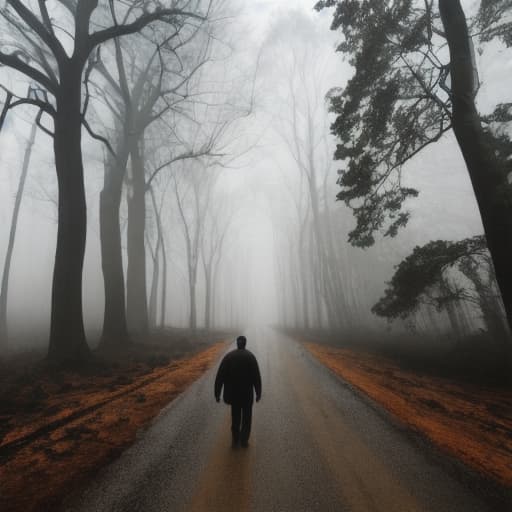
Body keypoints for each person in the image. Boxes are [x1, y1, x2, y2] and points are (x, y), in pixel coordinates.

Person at [214, 335, 262, 448]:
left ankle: (235, 441)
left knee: (235, 417)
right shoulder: (251, 357)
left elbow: (220, 376)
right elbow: (256, 376)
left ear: (237, 343)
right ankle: (244, 440)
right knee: (247, 418)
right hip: (247, 395)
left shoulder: (229, 357)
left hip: (233, 395)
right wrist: (258, 392)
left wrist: (217, 393)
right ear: (245, 343)